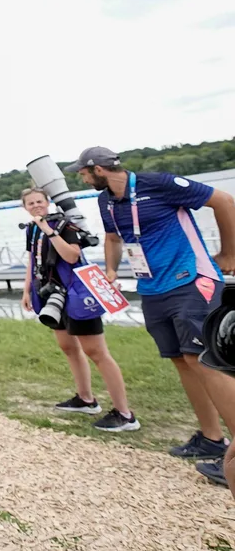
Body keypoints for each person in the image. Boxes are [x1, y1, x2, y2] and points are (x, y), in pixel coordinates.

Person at [69, 147, 235, 486]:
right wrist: (111, 270)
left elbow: (225, 201)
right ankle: (212, 438)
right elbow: (114, 237)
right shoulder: (106, 202)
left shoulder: (157, 184)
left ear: (98, 169)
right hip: (152, 288)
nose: (82, 179)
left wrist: (230, 252)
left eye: (84, 173)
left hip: (191, 279)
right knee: (181, 359)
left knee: (203, 360)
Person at [19, 188, 138, 431]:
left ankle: (125, 414)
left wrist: (49, 230)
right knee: (68, 347)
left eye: (39, 201)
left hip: (77, 294)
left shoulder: (64, 225)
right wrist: (26, 290)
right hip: (53, 295)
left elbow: (72, 256)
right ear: (25, 207)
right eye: (30, 203)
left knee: (96, 351)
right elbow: (32, 261)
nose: (36, 206)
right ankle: (85, 399)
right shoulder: (31, 229)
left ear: (48, 202)